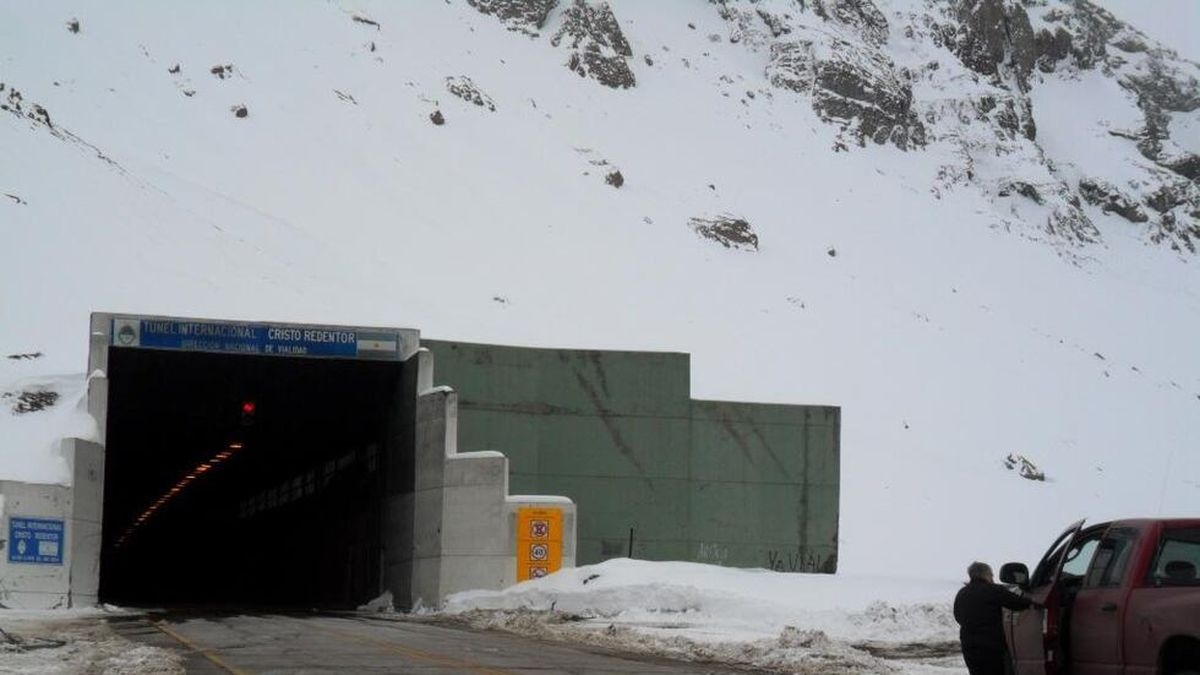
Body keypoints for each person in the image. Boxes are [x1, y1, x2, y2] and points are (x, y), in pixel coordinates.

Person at [954, 561, 1035, 675]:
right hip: (991, 646)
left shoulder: (962, 593)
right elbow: (1018, 603)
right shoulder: (993, 590)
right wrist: (1032, 602)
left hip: (969, 646)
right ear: (985, 574)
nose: (992, 577)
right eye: (991, 574)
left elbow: (958, 616)